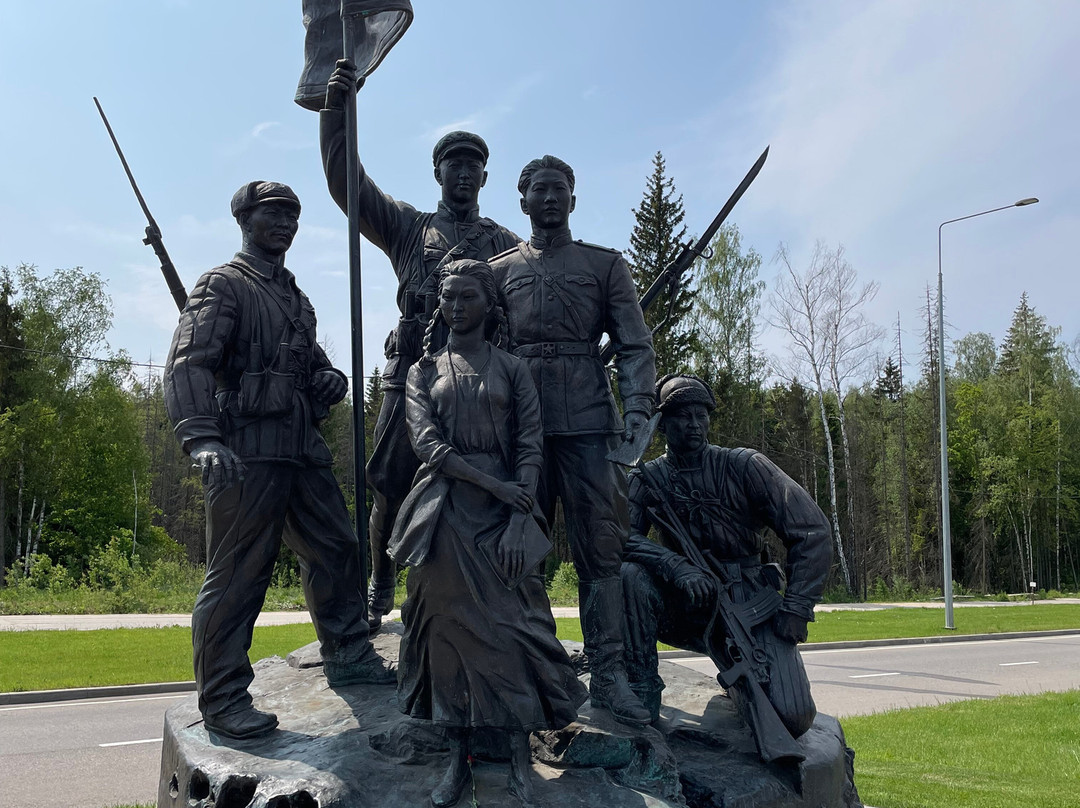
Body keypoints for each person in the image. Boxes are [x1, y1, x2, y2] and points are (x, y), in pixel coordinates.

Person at [164, 181, 394, 741]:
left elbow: (312, 362)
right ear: (245, 220)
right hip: (246, 450)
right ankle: (222, 698)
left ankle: (347, 651)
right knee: (240, 572)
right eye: (274, 214)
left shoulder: (294, 297)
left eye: (293, 216)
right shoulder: (224, 284)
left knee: (337, 547)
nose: (286, 224)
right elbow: (189, 362)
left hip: (300, 446)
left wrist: (330, 378)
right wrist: (202, 438)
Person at [320, 61, 521, 630]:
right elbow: (348, 184)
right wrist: (336, 113)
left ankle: (476, 588)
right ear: (437, 172)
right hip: (413, 366)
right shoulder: (409, 227)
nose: (464, 173)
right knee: (389, 478)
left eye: (473, 166)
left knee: (482, 473)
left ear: (485, 177)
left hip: (479, 375)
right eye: (454, 164)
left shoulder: (504, 242)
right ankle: (380, 581)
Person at [389, 259, 586, 807]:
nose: (456, 306)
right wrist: (493, 486)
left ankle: (521, 757)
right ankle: (457, 760)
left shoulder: (513, 369)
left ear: (489, 305)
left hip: (505, 516)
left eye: (467, 296)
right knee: (446, 637)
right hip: (446, 514)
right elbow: (427, 444)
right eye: (448, 296)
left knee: (515, 630)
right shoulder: (423, 371)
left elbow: (530, 442)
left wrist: (519, 514)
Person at [488, 156, 656, 728]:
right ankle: (535, 671)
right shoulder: (499, 271)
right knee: (521, 551)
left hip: (588, 425)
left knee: (601, 551)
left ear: (574, 200)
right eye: (539, 189)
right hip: (522, 432)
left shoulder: (604, 266)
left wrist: (639, 408)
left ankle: (608, 675)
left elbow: (634, 345)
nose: (550, 198)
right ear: (523, 201)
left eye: (559, 189)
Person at [621, 374, 832, 735]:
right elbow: (619, 536)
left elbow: (812, 531)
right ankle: (642, 687)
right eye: (683, 416)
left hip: (748, 602)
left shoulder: (746, 466)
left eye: (701, 415)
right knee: (628, 575)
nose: (694, 424)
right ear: (662, 424)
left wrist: (797, 607)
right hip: (687, 602)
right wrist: (675, 566)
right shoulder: (646, 478)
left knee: (792, 718)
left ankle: (741, 684)